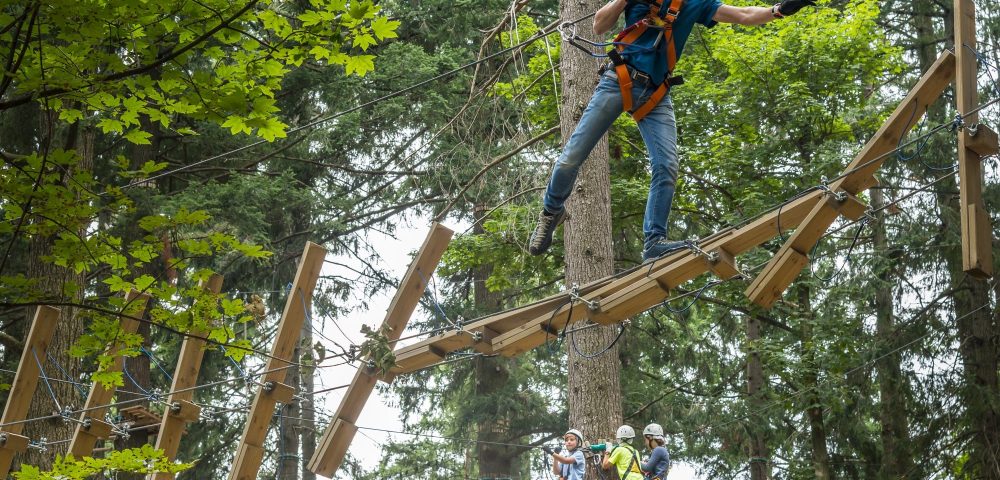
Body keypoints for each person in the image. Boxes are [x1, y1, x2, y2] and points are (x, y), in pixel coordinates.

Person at [528, 0, 816, 261]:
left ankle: (654, 241)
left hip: (656, 92)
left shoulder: (696, 3)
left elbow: (742, 15)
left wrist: (778, 10)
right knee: (571, 157)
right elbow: (600, 24)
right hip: (619, 80)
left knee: (666, 166)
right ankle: (552, 211)